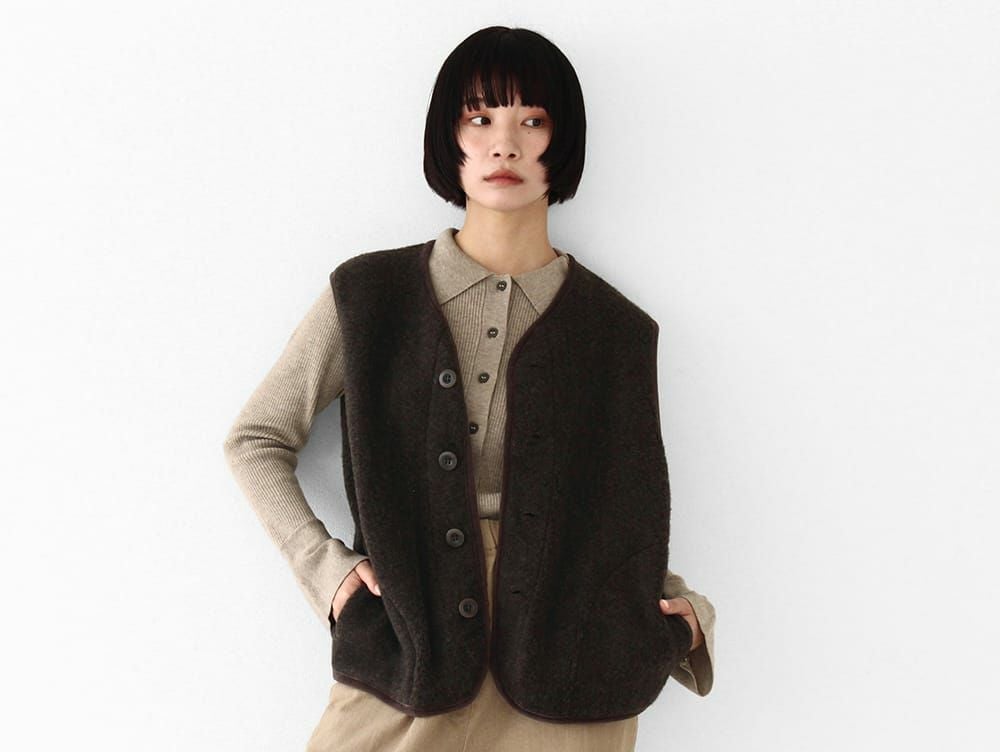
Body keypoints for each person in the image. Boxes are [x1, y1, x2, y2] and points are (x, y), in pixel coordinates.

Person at [224, 25, 716, 752]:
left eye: (533, 121)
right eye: (479, 118)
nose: (504, 145)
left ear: (563, 142)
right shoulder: (370, 296)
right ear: (446, 138)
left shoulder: (615, 329)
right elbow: (255, 440)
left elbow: (625, 513)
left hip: (569, 667)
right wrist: (326, 570)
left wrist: (689, 612)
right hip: (409, 642)